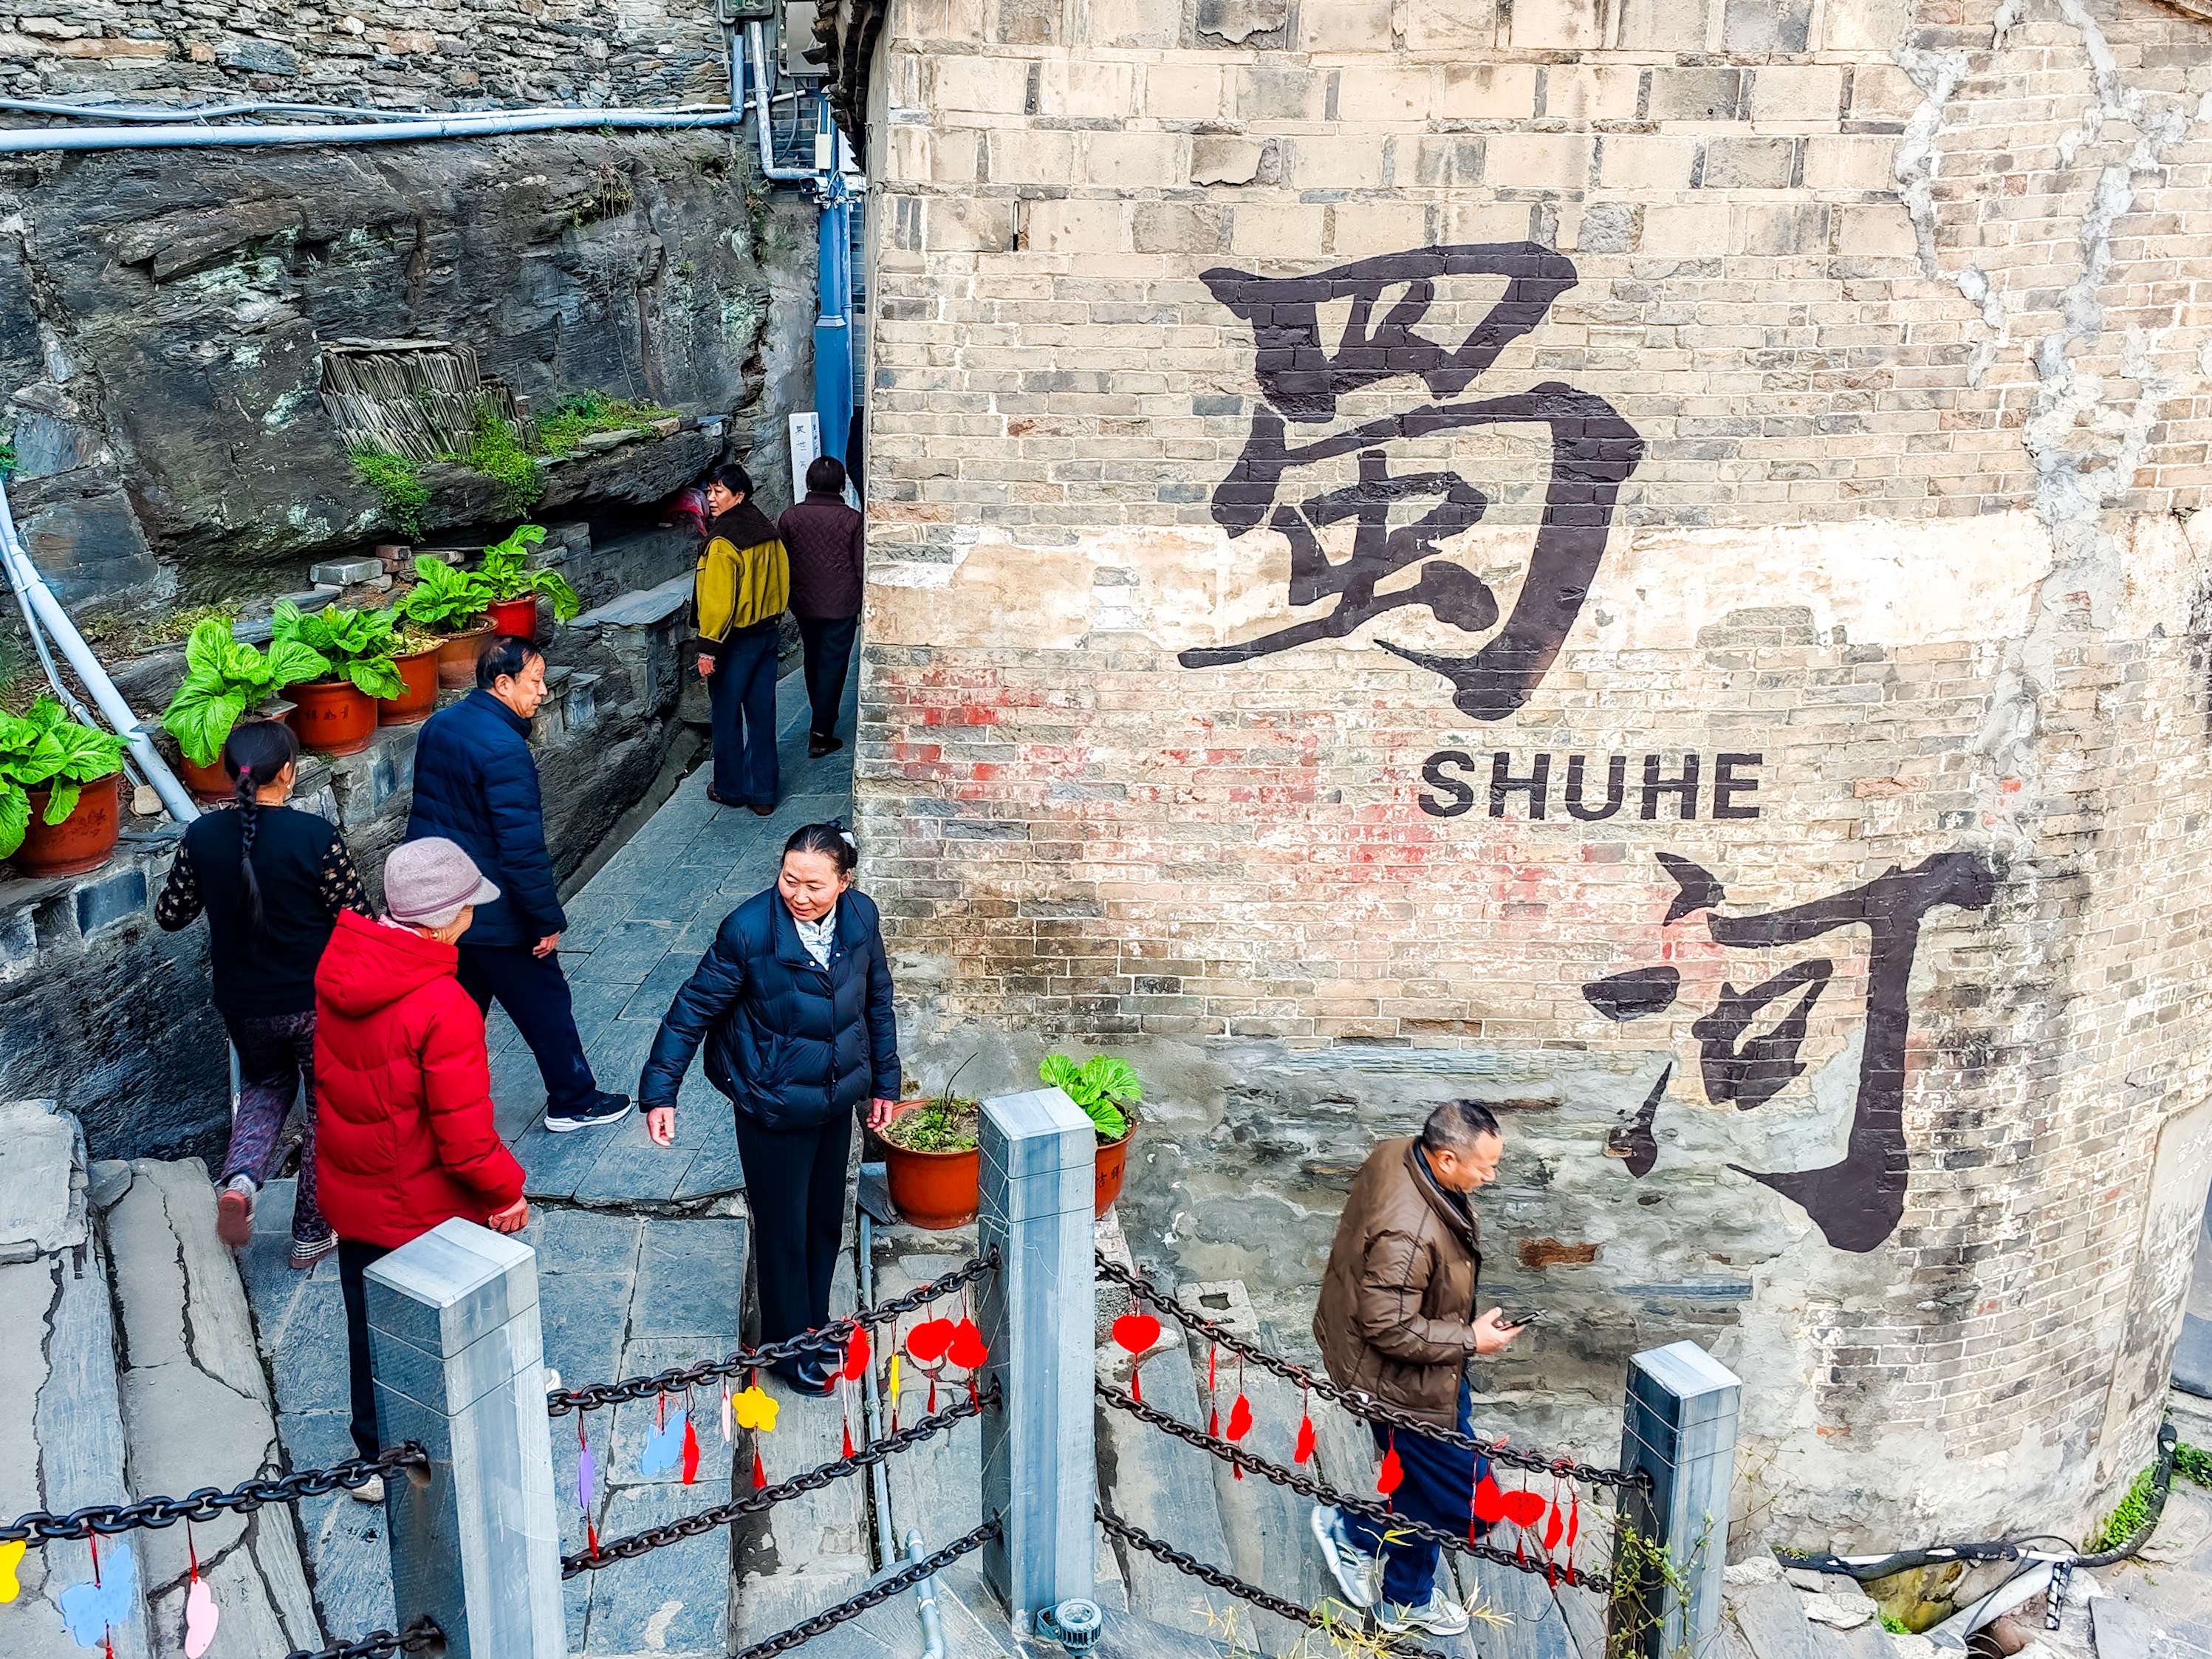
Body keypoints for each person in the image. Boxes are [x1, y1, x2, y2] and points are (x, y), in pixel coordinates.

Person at [637, 821, 898, 1393]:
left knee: (824, 1220)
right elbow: (691, 1010)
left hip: (834, 1096)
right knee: (783, 1230)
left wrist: (885, 1083)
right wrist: (660, 1091)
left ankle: (813, 1323)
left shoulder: (861, 917)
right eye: (788, 880)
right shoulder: (748, 930)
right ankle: (785, 1346)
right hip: (772, 1102)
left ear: (844, 882)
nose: (798, 896)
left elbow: (877, 1001)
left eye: (814, 885)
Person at [315, 837, 530, 1502]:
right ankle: (450, 1442)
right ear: (444, 919)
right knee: (447, 1327)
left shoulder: (341, 968)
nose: (473, 914)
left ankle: (372, 1458)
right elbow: (463, 1137)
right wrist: (506, 1191)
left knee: (368, 1331)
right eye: (468, 905)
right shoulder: (444, 1003)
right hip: (424, 1205)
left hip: (354, 1188)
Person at [1307, 1100, 1524, 1635]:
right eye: (1485, 1167)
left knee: (1420, 1488)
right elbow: (1387, 1326)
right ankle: (1353, 1530)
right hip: (1398, 1385)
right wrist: (1471, 1339)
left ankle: (1405, 1599)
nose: (1491, 1178)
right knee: (1475, 1507)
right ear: (1446, 1159)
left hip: (1424, 1372)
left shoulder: (1400, 1153)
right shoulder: (1409, 1231)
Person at [155, 719, 366, 1270]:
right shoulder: (314, 836)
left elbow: (170, 915)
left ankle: (242, 1182)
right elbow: (358, 917)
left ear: (231, 773)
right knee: (325, 1113)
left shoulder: (202, 836)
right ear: (289, 772)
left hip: (245, 1004)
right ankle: (311, 1234)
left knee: (265, 1088)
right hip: (316, 1002)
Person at [405, 633, 630, 1132]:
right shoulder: (505, 750)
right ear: (503, 684)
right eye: (535, 681)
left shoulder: (440, 725)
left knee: (454, 1020)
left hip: (446, 907)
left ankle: (427, 1114)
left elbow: (426, 818)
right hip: (496, 910)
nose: (543, 692)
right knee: (545, 1004)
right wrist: (543, 919)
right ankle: (573, 1100)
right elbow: (521, 848)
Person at [694, 462, 790, 814]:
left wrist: (708, 649)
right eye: (709, 491)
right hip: (767, 633)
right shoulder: (766, 529)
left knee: (726, 714)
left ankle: (731, 789)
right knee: (762, 714)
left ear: (739, 495)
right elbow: (783, 579)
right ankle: (762, 794)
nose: (711, 498)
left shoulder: (723, 541)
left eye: (719, 491)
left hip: (735, 642)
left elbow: (718, 601)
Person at [776, 454, 866, 758]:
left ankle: (820, 716)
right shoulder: (853, 520)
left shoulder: (790, 517)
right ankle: (821, 732)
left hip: (803, 602)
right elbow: (860, 566)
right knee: (833, 665)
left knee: (813, 658)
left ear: (809, 482)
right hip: (842, 605)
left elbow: (783, 563)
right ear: (842, 484)